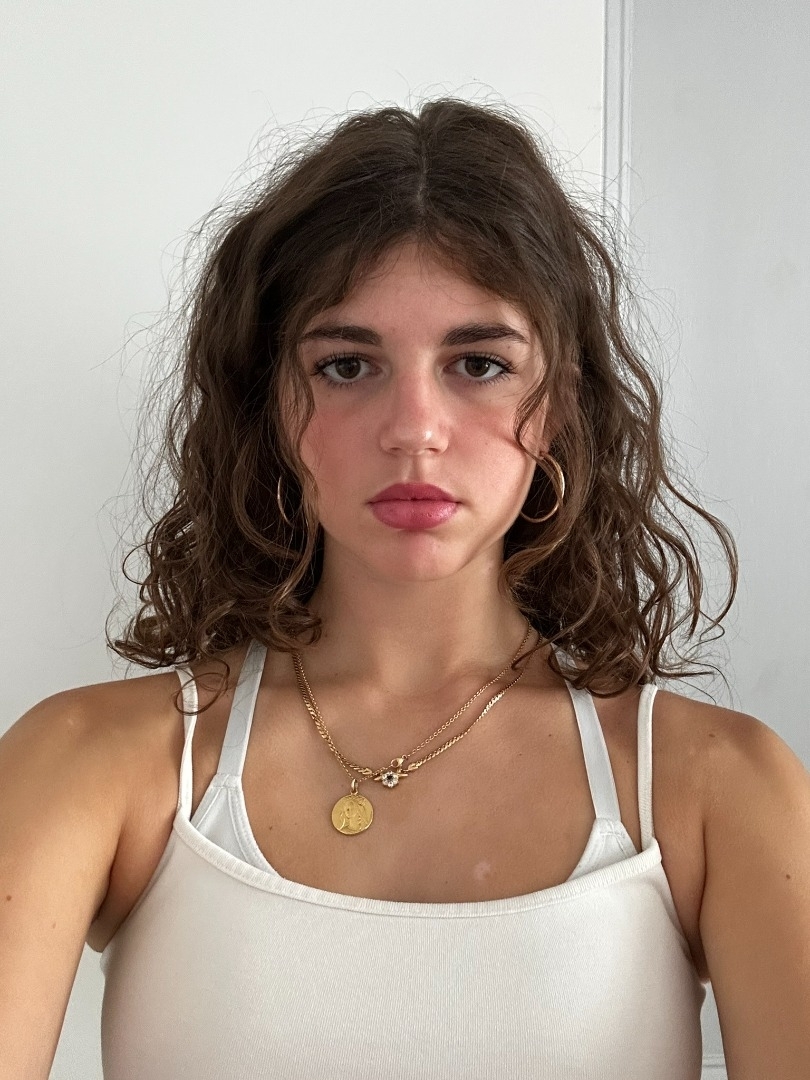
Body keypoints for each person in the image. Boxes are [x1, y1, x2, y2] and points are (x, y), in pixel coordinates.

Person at [2, 97, 809, 1080]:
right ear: (271, 407)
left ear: (558, 405)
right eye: (347, 366)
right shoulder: (93, 764)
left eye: (479, 364)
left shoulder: (717, 787)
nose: (414, 428)